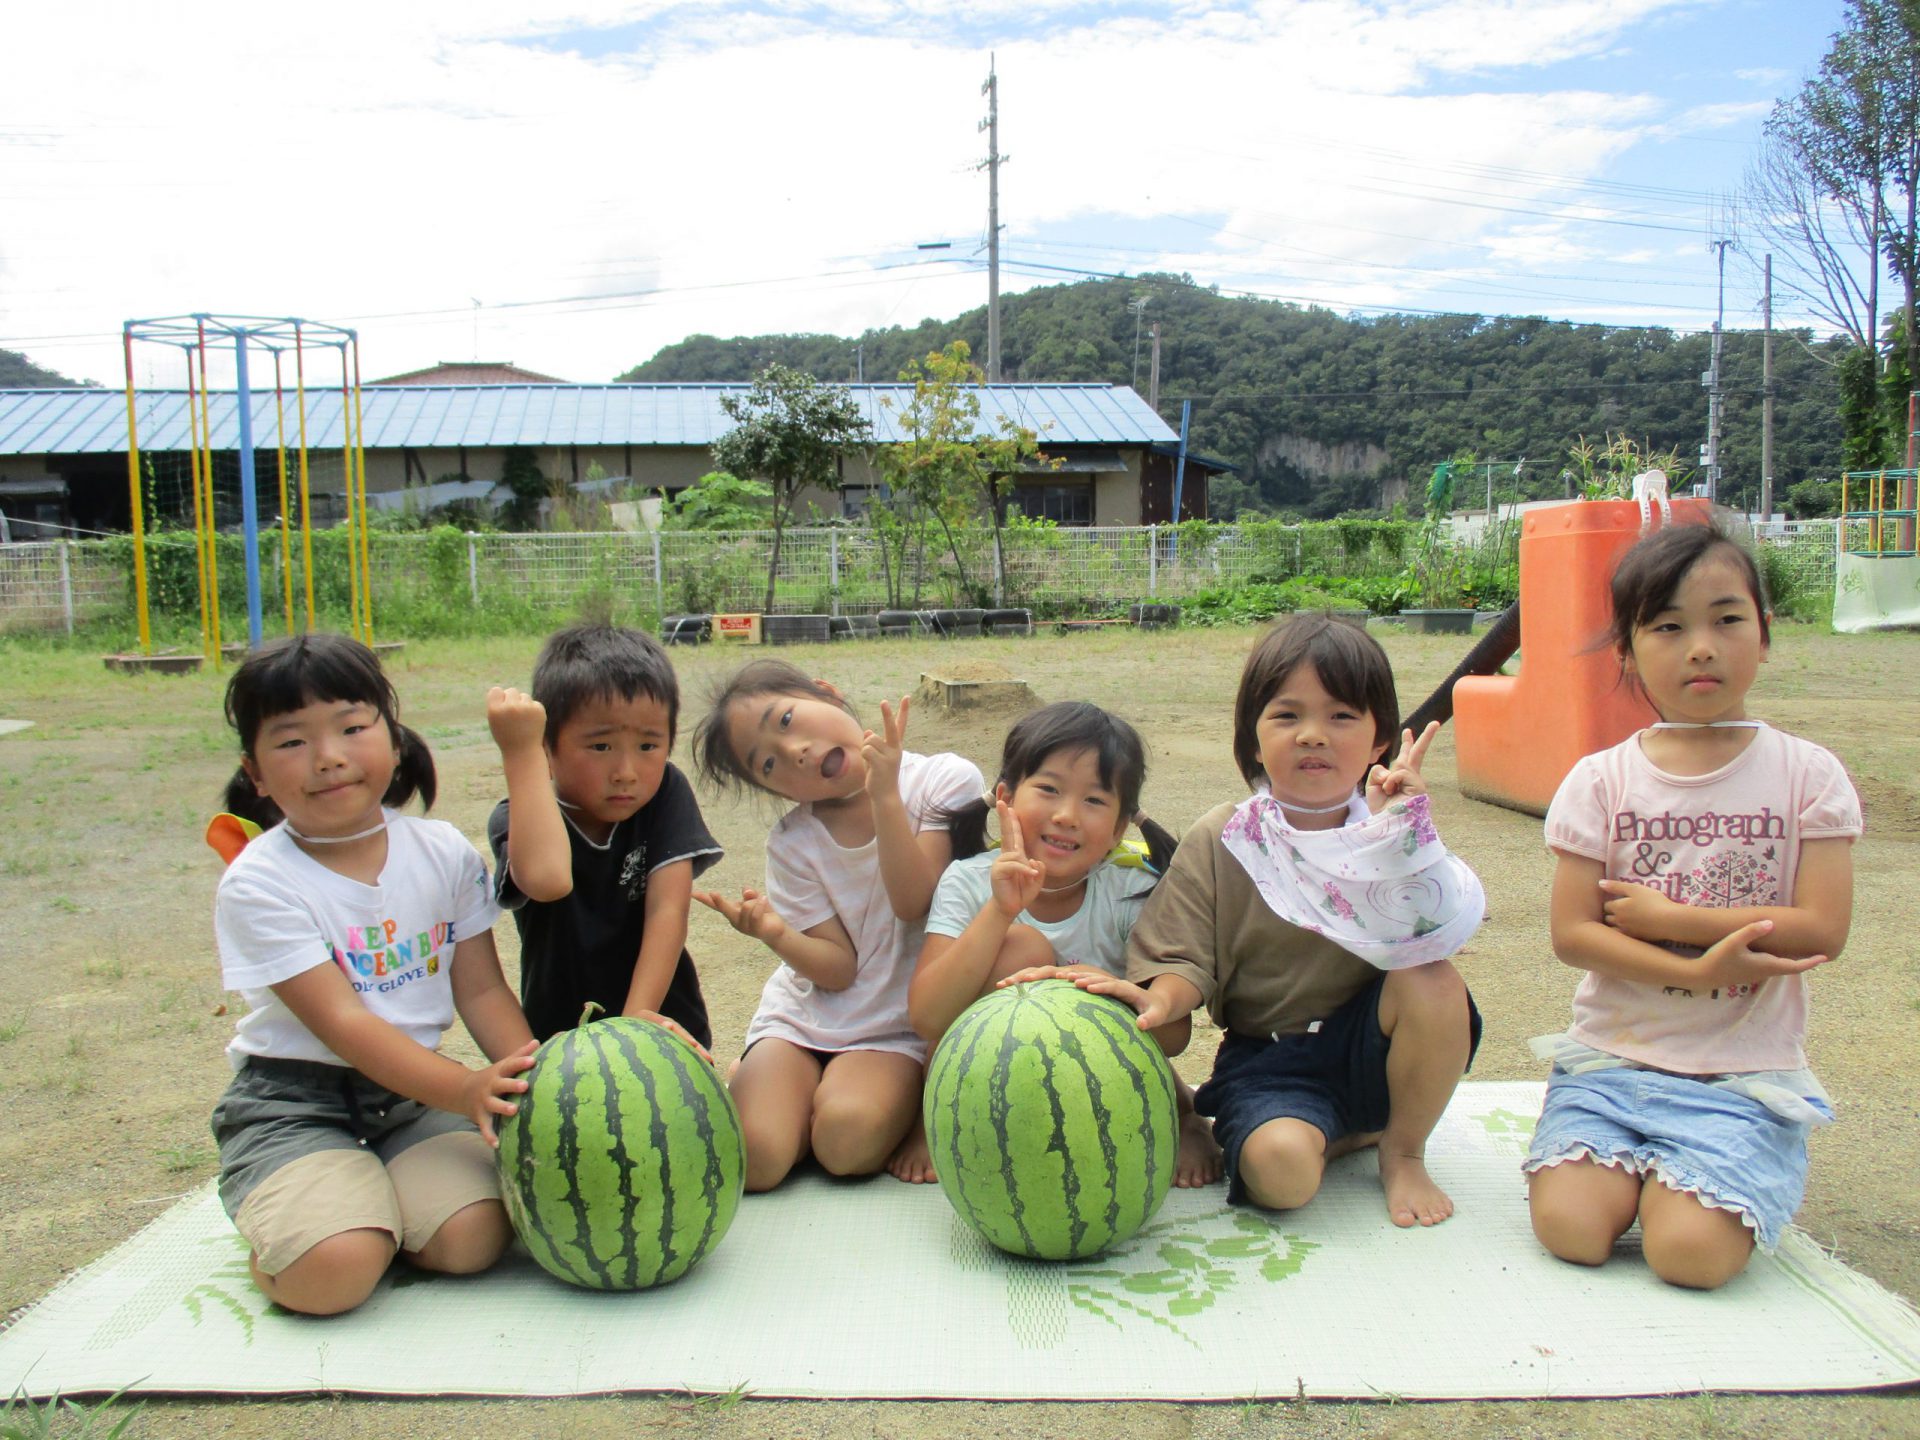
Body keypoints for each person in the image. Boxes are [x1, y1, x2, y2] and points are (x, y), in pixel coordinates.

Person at [1066, 615, 1486, 1228]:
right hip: (1271, 1060)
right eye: (1287, 716)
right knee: (1281, 1177)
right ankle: (1335, 1135)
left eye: (1341, 716)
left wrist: (1403, 836)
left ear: (1379, 741)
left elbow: (1433, 928)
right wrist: (1161, 1000)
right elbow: (1180, 956)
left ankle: (1402, 1149)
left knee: (1432, 977)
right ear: (1254, 740)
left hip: (1376, 1047)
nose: (1313, 735)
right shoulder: (1226, 836)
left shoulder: (1388, 825)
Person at [1524, 523, 1860, 1290]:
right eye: (1669, 627)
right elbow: (1572, 935)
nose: (1701, 648)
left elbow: (1822, 929)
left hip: (1739, 1077)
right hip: (1612, 1065)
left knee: (1689, 1256)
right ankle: (1648, 1168)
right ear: (1627, 650)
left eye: (1726, 619)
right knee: (1572, 1230)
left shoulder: (1808, 775)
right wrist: (1701, 972)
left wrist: (1678, 925)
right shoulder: (1601, 781)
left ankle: (1735, 1161)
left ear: (1764, 634)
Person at [209, 634, 537, 1316]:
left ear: (393, 737)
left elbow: (481, 990)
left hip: (410, 1099)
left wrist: (537, 1086)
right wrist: (464, 1089)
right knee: (335, 1272)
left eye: (352, 728)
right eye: (292, 741)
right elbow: (345, 1023)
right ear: (256, 773)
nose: (328, 757)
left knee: (475, 1238)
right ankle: (309, 1224)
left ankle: (368, 1201)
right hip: (293, 1105)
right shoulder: (259, 882)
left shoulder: (442, 851)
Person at [692, 659, 982, 1191]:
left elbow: (914, 901)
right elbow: (838, 969)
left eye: (786, 720)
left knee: (845, 1143)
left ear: (826, 693)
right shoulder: (792, 843)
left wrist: (884, 795)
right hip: (801, 1020)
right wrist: (776, 934)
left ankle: (810, 1104)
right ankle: (777, 1090)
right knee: (755, 1161)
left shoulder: (943, 780)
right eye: (768, 765)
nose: (794, 751)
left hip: (891, 1029)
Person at [910, 700, 1221, 1186]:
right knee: (1023, 946)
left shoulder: (1131, 890)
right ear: (1005, 798)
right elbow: (928, 1018)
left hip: (1096, 1081)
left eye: (1094, 800)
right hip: (987, 1071)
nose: (1067, 815)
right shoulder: (968, 882)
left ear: (1119, 828)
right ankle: (933, 1115)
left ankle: (1184, 1114)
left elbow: (1174, 1037)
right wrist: (999, 912)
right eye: (1049, 789)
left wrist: (1112, 996)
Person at [486, 623, 721, 1047]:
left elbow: (668, 910)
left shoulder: (665, 793)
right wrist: (521, 752)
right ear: (547, 746)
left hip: (661, 1023)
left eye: (648, 746)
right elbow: (547, 881)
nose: (626, 773)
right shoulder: (518, 816)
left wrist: (635, 1023)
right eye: (600, 747)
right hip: (563, 1038)